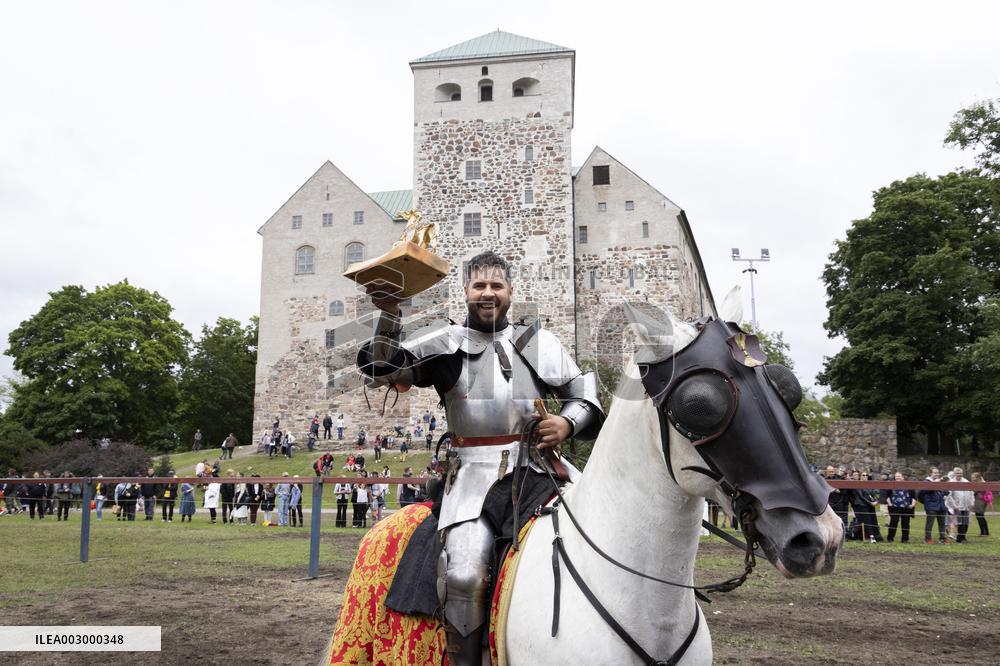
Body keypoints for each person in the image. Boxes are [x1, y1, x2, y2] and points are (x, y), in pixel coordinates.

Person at [357, 250, 604, 663]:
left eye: (496, 286)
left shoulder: (536, 341)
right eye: (479, 286)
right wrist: (391, 314)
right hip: (472, 478)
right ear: (466, 292)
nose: (488, 293)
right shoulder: (445, 341)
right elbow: (385, 368)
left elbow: (584, 394)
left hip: (538, 470)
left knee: (594, 540)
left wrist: (566, 424)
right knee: (466, 574)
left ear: (510, 292)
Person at [918, 467, 950, 544]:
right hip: (931, 506)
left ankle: (942, 538)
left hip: (941, 506)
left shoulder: (940, 481)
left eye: (938, 473)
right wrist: (935, 483)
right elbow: (925, 491)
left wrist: (945, 484)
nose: (937, 474)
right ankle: (928, 539)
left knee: (942, 524)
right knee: (930, 523)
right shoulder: (926, 481)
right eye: (935, 473)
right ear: (930, 473)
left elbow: (946, 492)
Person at [945, 467, 974, 544]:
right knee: (959, 522)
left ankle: (963, 536)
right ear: (954, 473)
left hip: (966, 505)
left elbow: (971, 492)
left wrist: (971, 503)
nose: (959, 474)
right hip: (956, 506)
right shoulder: (951, 482)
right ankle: (961, 538)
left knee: (966, 522)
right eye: (957, 473)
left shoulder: (966, 481)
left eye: (960, 473)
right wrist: (954, 506)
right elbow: (949, 495)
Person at [885, 472, 916, 543]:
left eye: (899, 476)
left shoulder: (908, 485)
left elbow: (913, 496)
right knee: (893, 522)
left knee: (905, 524)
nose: (897, 478)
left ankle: (905, 539)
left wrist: (912, 505)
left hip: (906, 507)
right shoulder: (892, 485)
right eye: (896, 476)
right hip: (895, 507)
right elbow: (887, 496)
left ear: (903, 477)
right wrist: (890, 504)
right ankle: (890, 538)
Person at [971, 472, 992, 537]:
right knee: (980, 517)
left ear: (978, 477)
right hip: (979, 501)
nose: (972, 479)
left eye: (973, 477)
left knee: (980, 517)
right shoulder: (980, 482)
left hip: (980, 501)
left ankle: (984, 532)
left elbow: (975, 491)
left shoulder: (981, 483)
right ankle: (985, 532)